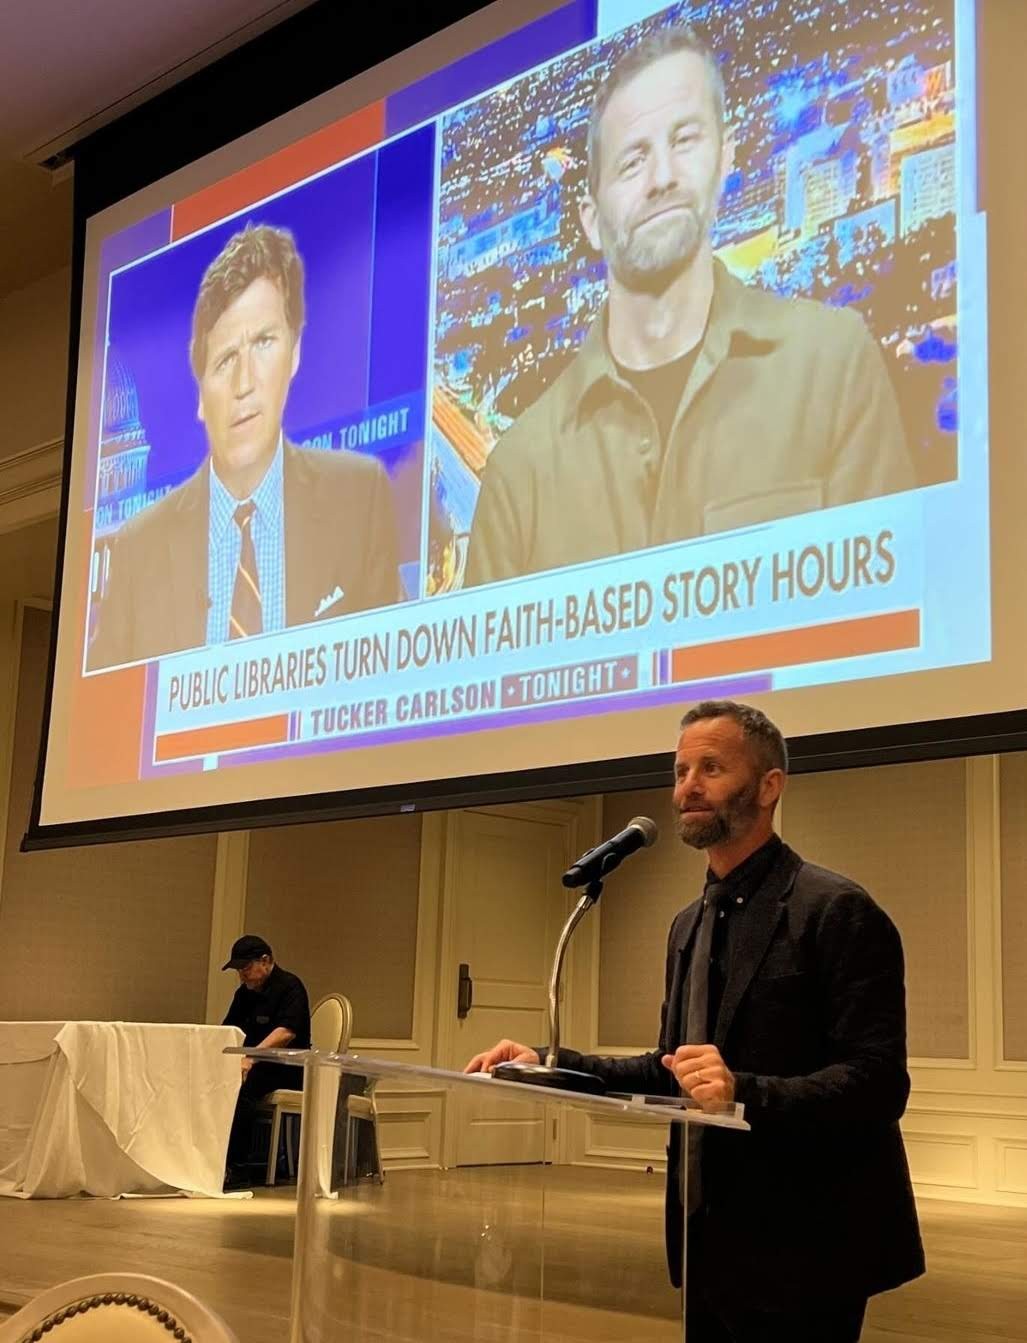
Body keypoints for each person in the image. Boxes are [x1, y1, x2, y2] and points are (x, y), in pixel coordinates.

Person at [466, 700, 924, 1341]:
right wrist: (549, 1062)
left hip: (809, 1241)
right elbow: (669, 1069)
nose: (688, 787)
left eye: (711, 768)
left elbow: (879, 1084)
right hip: (707, 1235)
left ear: (769, 786)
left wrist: (744, 1091)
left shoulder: (837, 911)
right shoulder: (689, 925)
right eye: (681, 771)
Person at [464, 27, 916, 588]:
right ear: (590, 221)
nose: (662, 178)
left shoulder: (832, 365)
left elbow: (894, 615)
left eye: (684, 141)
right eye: (632, 162)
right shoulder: (519, 469)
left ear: (725, 158)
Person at [89, 223, 401, 670]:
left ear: (294, 354)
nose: (244, 383)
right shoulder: (138, 549)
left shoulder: (359, 496)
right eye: (225, 360)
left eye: (263, 343)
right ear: (201, 394)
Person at [221, 934, 311, 1188]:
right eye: (239, 970)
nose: (242, 975)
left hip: (286, 1067)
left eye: (246, 968)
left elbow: (286, 1033)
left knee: (242, 1090)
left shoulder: (290, 987)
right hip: (253, 1064)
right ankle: (212, 1160)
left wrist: (251, 1057)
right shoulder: (244, 994)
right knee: (216, 1082)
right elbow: (228, 1030)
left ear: (265, 960)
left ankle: (238, 1168)